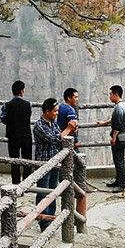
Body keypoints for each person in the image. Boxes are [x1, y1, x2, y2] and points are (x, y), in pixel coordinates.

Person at [34, 98, 78, 231]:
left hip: (55, 163)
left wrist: (71, 130)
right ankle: (43, 221)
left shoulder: (53, 123)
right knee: (43, 192)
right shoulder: (39, 126)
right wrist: (68, 128)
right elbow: (54, 139)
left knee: (53, 191)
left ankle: (50, 217)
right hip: (44, 163)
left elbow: (60, 137)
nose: (57, 113)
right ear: (47, 111)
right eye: (55, 111)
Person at [96, 85, 125, 190]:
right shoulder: (123, 105)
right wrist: (104, 123)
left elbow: (118, 125)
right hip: (123, 136)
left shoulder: (119, 107)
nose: (109, 96)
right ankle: (119, 180)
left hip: (118, 137)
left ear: (115, 94)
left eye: (110, 94)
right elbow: (114, 120)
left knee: (118, 160)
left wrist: (114, 138)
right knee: (119, 159)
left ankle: (122, 184)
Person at [0, 80, 33, 184]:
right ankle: (26, 183)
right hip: (26, 135)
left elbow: (3, 118)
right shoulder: (28, 104)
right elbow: (28, 116)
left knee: (14, 160)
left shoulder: (7, 105)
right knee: (27, 159)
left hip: (13, 135)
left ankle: (16, 183)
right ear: (22, 91)